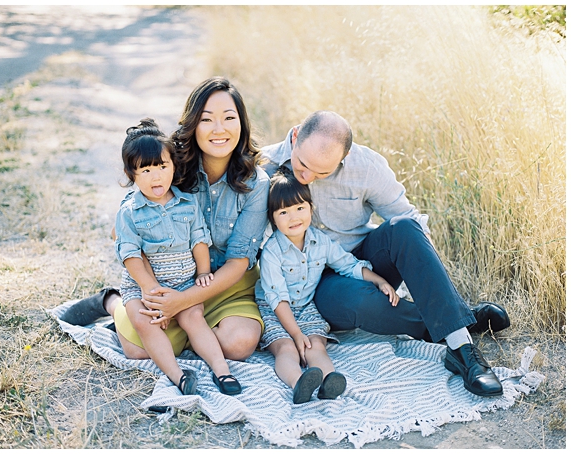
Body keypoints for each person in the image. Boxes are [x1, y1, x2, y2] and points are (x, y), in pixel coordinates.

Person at [260, 110, 511, 398]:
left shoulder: (366, 167)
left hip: (361, 258)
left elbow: (411, 222)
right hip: (315, 283)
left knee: (405, 227)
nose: (306, 178)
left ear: (344, 157)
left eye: (322, 173)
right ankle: (455, 317)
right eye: (302, 165)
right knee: (357, 302)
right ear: (294, 136)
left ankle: (462, 349)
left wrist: (423, 276)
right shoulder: (263, 167)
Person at [60, 77, 270, 396]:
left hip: (226, 284)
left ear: (241, 123)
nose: (219, 129)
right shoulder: (171, 165)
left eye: (229, 118)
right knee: (137, 349)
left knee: (239, 344)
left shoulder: (255, 183)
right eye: (206, 119)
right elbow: (126, 231)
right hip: (168, 280)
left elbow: (239, 262)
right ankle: (112, 300)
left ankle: (193, 327)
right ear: (192, 124)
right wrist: (157, 293)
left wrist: (183, 303)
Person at [113, 117, 242, 395]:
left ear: (173, 165)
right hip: (145, 286)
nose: (156, 176)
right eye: (145, 170)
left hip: (184, 281)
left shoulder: (187, 202)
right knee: (143, 321)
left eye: (162, 166)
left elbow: (199, 240)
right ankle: (178, 375)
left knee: (193, 316)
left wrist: (203, 272)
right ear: (131, 174)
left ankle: (222, 371)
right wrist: (150, 290)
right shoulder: (130, 212)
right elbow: (130, 255)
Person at [256, 167, 400, 404]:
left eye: (300, 208)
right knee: (287, 349)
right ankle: (298, 383)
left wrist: (379, 280)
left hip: (305, 307)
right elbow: (277, 298)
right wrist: (295, 333)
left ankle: (327, 381)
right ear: (272, 218)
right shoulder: (272, 251)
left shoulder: (320, 241)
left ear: (311, 208)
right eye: (284, 212)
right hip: (275, 310)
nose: (294, 217)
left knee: (316, 346)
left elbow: (347, 264)